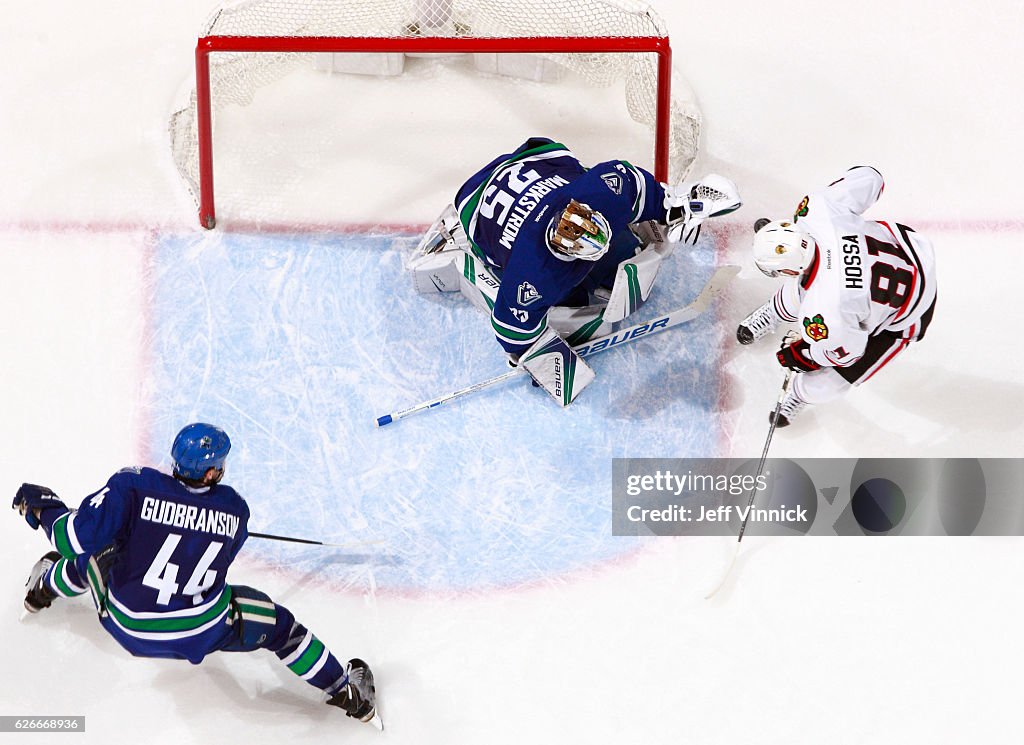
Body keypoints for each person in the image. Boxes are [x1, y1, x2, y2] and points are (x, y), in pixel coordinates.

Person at [12, 423, 382, 730]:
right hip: (202, 627)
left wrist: (45, 508)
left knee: (91, 559)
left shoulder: (133, 487)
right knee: (283, 630)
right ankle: (347, 692)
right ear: (210, 473)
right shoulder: (235, 511)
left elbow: (73, 537)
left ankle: (40, 590)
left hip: (127, 622)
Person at [408, 136, 740, 404]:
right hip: (476, 203)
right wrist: (530, 355)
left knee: (619, 243)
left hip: (533, 162)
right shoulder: (534, 273)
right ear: (561, 251)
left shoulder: (600, 194)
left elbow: (643, 190)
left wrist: (681, 206)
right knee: (573, 293)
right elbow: (509, 326)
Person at [736, 166, 937, 427]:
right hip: (910, 252)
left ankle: (799, 394)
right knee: (805, 289)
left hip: (909, 313)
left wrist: (808, 355)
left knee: (827, 383)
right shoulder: (820, 210)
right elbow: (872, 178)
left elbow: (848, 353)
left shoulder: (824, 309)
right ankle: (774, 313)